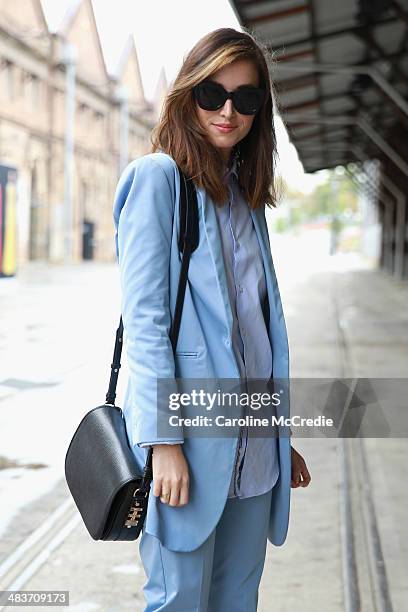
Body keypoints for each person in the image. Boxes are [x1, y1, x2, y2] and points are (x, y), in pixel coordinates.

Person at [113, 27, 311, 612]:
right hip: (189, 446)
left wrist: (278, 436)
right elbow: (146, 321)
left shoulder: (246, 197)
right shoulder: (160, 180)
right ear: (187, 95)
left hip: (254, 449)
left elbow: (256, 333)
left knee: (237, 601)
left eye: (246, 99)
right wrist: (163, 442)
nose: (229, 111)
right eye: (213, 94)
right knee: (177, 601)